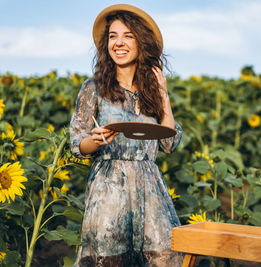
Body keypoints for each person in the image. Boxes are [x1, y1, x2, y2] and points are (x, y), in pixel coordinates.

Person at [69, 4, 183, 266]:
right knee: (109, 258)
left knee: (164, 257)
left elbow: (168, 142)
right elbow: (77, 143)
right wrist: (94, 141)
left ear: (141, 43)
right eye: (113, 36)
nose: (118, 43)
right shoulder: (94, 88)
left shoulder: (153, 91)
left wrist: (163, 93)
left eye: (127, 36)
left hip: (151, 191)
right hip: (109, 191)